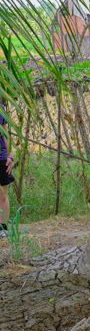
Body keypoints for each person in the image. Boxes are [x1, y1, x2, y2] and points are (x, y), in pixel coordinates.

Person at [0, 101, 14, 239]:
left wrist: (10, 155)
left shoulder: (1, 108)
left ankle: (3, 228)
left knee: (3, 194)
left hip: (1, 157)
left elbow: (5, 134)